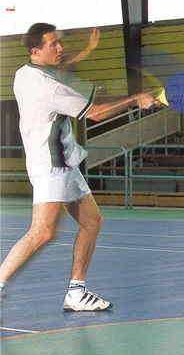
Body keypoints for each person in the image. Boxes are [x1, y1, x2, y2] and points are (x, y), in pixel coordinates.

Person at [0, 23, 159, 311]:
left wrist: (87, 50)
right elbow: (96, 113)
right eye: (53, 45)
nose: (60, 48)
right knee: (42, 232)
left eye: (59, 43)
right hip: (51, 165)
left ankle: (76, 292)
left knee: (92, 222)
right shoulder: (50, 89)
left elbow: (61, 69)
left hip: (65, 162)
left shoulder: (24, 74)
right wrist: (136, 99)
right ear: (36, 51)